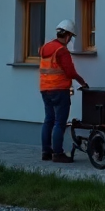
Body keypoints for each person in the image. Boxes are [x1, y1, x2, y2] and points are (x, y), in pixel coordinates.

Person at [40, 20, 88, 163]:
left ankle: (46, 152)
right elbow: (70, 72)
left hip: (45, 89)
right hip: (60, 90)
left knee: (48, 120)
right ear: (67, 36)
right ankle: (58, 154)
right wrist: (83, 83)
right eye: (71, 37)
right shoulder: (62, 51)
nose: (70, 40)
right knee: (60, 123)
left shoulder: (45, 48)